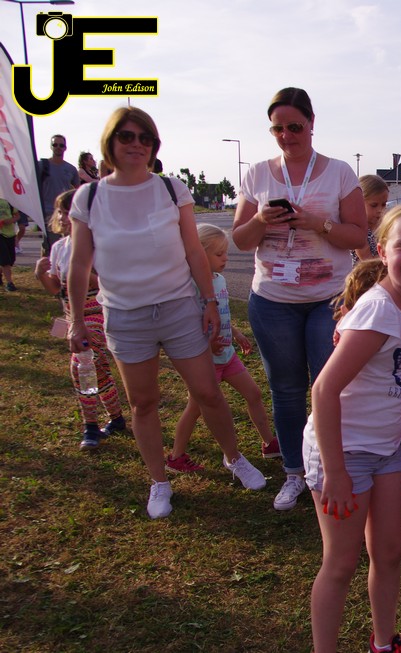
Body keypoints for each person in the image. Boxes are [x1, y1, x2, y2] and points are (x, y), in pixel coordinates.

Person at [67, 107, 266, 519]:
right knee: (143, 402)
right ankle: (159, 482)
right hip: (125, 315)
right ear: (110, 142)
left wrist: (209, 302)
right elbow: (80, 262)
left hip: (179, 308)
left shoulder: (172, 189)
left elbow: (194, 250)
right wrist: (75, 322)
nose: (137, 145)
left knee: (207, 391)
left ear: (155, 146)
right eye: (126, 136)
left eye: (146, 138)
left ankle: (234, 458)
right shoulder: (90, 197)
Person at [304, 203, 401, 653]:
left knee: (388, 553)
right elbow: (324, 389)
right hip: (343, 451)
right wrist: (335, 472)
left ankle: (383, 643)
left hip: (387, 448)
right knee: (341, 562)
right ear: (382, 250)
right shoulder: (379, 311)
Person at [232, 87, 367, 512]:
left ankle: (329, 468)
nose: (286, 136)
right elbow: (240, 240)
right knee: (286, 390)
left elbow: (357, 235)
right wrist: (260, 218)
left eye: (294, 127)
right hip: (273, 301)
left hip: (329, 299)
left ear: (311, 124)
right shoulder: (258, 174)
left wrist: (316, 223)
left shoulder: (339, 172)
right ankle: (294, 472)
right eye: (277, 129)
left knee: (329, 387)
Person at [165, 224, 280, 473]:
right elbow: (186, 325)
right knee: (195, 408)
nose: (225, 258)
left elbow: (221, 315)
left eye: (226, 252)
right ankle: (176, 456)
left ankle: (269, 442)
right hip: (204, 363)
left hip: (228, 357)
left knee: (254, 394)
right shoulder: (190, 287)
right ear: (198, 254)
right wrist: (207, 344)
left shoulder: (220, 280)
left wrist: (235, 334)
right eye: (219, 254)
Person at [35, 189, 126, 449]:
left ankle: (90, 426)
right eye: (61, 212)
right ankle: (116, 418)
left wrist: (85, 275)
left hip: (97, 313)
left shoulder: (98, 247)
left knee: (82, 365)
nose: (64, 217)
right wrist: (41, 275)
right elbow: (56, 289)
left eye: (70, 212)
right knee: (98, 369)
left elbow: (111, 284)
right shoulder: (59, 248)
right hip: (73, 317)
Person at [38, 134, 81, 254]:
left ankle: (52, 262)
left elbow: (78, 190)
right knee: (52, 244)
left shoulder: (71, 169)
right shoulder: (42, 165)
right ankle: (47, 264)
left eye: (61, 145)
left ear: (65, 148)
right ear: (51, 147)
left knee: (65, 244)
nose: (58, 147)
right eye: (55, 144)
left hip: (65, 212)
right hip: (47, 211)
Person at [353, 174, 388, 264]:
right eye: (374, 205)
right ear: (358, 202)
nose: (380, 210)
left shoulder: (383, 226)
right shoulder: (358, 229)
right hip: (366, 271)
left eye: (383, 204)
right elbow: (368, 260)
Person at [1, 198, 17, 291]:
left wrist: (11, 220)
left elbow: (17, 215)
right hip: (0, 234)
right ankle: (9, 283)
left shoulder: (8, 201)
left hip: (10, 233)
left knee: (11, 259)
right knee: (5, 259)